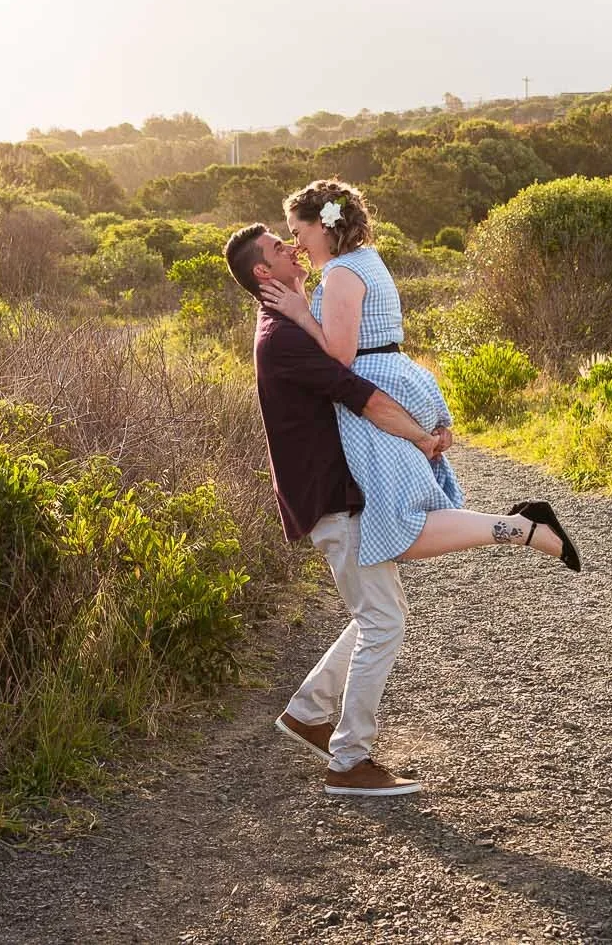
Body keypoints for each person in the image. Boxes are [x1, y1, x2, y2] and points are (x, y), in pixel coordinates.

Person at [259, 179, 580, 573]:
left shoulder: (341, 274)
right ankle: (518, 527)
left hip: (373, 384)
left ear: (324, 225)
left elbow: (340, 355)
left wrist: (300, 313)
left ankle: (521, 527)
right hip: (396, 374)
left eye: (297, 232)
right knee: (401, 518)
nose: (296, 245)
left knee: (399, 524)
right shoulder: (365, 260)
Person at [225, 222, 446, 796]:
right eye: (280, 246)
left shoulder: (287, 321)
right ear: (263, 273)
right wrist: (423, 438)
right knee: (383, 620)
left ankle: (308, 711)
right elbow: (361, 394)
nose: (292, 246)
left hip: (338, 495)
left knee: (380, 611)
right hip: (331, 498)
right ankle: (349, 762)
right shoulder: (285, 336)